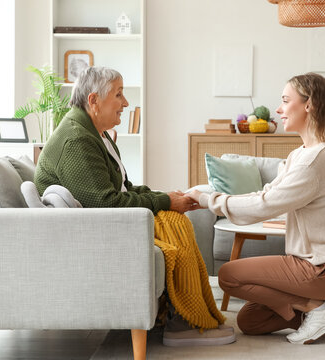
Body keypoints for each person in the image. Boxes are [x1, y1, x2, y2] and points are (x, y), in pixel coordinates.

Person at [34, 66, 235, 347]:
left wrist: (165, 195)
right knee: (175, 227)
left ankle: (183, 318)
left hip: (107, 222)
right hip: (95, 231)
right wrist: (165, 201)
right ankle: (184, 321)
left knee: (176, 220)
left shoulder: (97, 134)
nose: (126, 103)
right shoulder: (77, 139)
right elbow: (105, 203)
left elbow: (123, 189)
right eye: (118, 95)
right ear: (93, 101)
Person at [187, 73, 325, 344]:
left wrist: (208, 199)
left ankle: (318, 308)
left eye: (286, 101)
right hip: (318, 269)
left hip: (323, 268)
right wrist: (217, 197)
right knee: (251, 321)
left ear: (308, 105)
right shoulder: (301, 154)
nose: (279, 109)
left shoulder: (316, 160)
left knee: (228, 276)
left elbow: (264, 206)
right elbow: (267, 194)